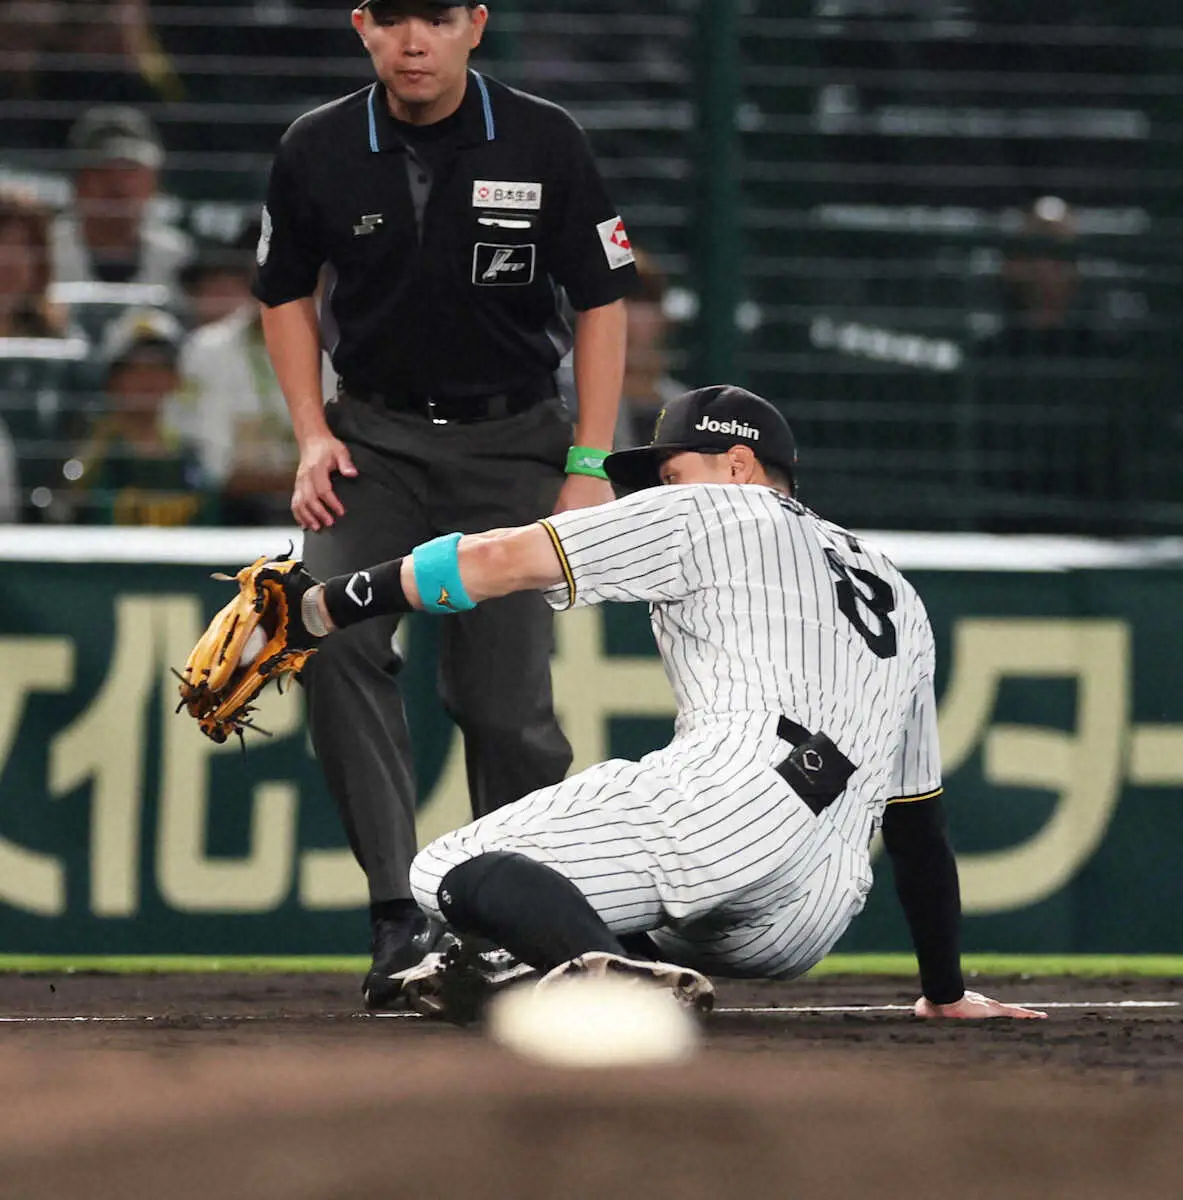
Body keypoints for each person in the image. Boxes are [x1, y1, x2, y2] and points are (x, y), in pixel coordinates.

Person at [291, 384, 1045, 1021]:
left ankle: (614, 995)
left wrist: (320, 608)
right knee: (562, 917)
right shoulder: (896, 591)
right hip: (813, 909)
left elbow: (491, 561)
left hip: (737, 797)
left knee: (449, 869)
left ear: (738, 465)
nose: (661, 489)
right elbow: (917, 818)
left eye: (674, 470)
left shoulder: (714, 510)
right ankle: (537, 967)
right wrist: (942, 990)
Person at [252, 0, 636, 1007]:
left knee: (505, 711)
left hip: (512, 448)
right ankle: (395, 916)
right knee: (328, 632)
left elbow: (603, 299)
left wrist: (590, 459)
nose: (412, 40)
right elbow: (283, 290)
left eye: (435, 15)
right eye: (392, 17)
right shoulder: (318, 146)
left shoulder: (547, 137)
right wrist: (310, 435)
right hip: (372, 443)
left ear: (474, 22)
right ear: (360, 26)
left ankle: (513, 926)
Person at [65, 307, 217, 526]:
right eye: (134, 369)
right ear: (113, 380)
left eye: (158, 368)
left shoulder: (189, 452)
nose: (147, 380)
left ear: (175, 380)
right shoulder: (92, 451)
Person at [51, 106, 193, 309]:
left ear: (153, 183)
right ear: (77, 183)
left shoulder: (178, 259)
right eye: (103, 171)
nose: (117, 185)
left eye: (130, 170)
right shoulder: (43, 254)